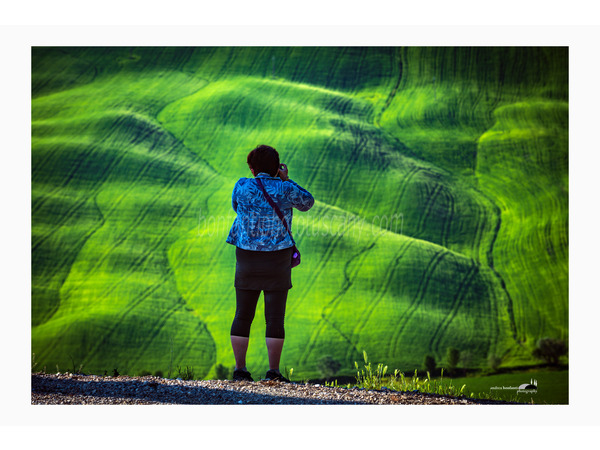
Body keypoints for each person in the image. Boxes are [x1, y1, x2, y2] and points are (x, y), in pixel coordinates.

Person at [225, 144, 314, 382]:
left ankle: (240, 371)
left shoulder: (242, 186)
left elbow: (236, 207)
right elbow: (307, 202)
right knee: (275, 317)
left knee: (243, 314)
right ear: (277, 168)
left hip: (247, 256)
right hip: (277, 257)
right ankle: (273, 372)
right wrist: (286, 179)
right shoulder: (285, 188)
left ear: (252, 168)